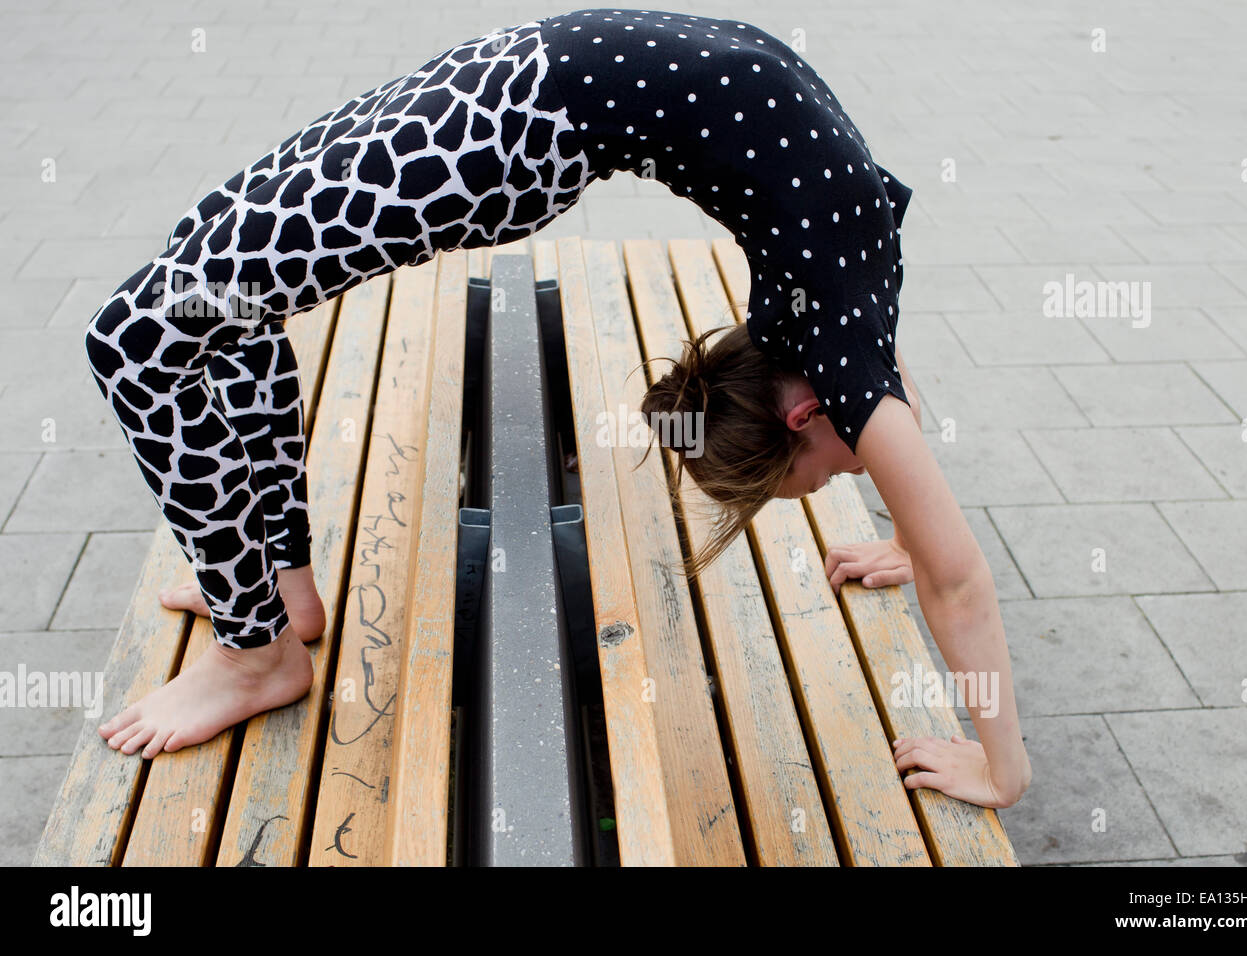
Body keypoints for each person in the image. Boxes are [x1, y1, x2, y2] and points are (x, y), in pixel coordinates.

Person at [88, 8, 1030, 810]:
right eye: (828, 477)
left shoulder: (825, 323)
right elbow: (960, 581)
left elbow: (896, 420)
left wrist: (912, 530)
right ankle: (271, 605)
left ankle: (255, 643)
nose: (860, 467)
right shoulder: (835, 344)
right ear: (803, 418)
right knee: (157, 322)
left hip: (530, 85)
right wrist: (1003, 768)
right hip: (512, 115)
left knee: (173, 311)